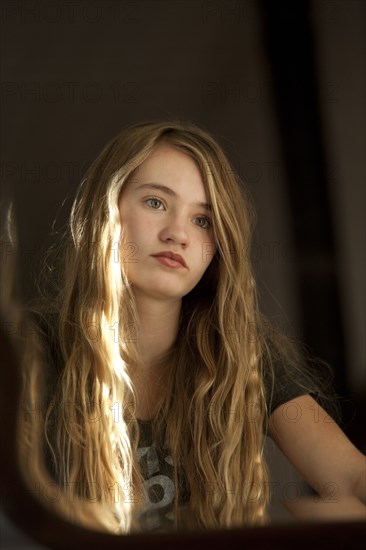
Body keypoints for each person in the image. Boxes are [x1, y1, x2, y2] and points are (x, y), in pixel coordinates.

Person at [19, 120, 365, 534]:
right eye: (155, 203)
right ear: (104, 211)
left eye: (203, 220)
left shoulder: (238, 351)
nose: (177, 234)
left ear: (217, 249)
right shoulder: (26, 346)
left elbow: (350, 483)